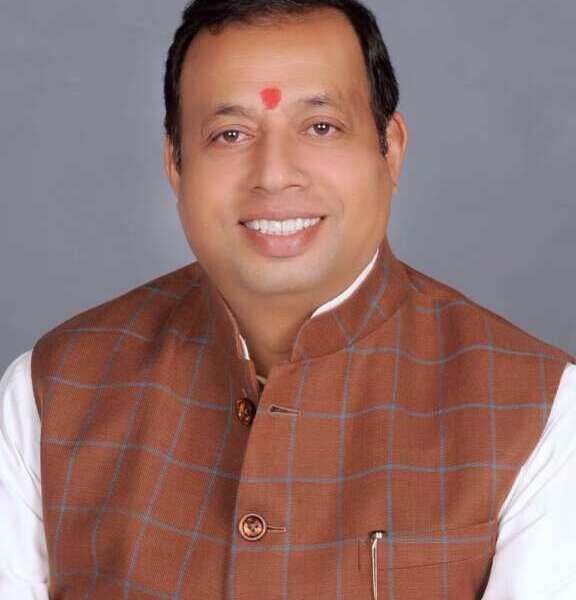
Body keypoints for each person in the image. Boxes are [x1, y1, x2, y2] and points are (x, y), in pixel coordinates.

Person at [1, 0, 575, 598]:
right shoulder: (50, 394)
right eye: (230, 134)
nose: (275, 174)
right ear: (175, 164)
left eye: (321, 127)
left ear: (391, 149)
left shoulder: (540, 413)